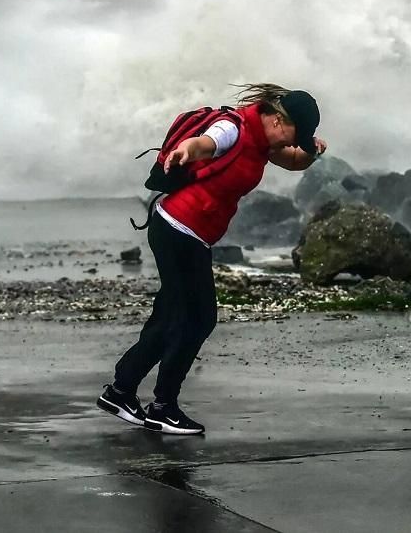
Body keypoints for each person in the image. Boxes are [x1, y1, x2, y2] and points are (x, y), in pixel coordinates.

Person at [97, 83, 326, 435]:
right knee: (196, 319)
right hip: (178, 230)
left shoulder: (263, 142)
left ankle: (121, 391)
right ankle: (163, 406)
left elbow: (295, 162)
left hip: (187, 233)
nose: (297, 142)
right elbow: (206, 143)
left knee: (172, 316)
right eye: (299, 134)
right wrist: (186, 151)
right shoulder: (234, 129)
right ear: (279, 121)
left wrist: (313, 152)